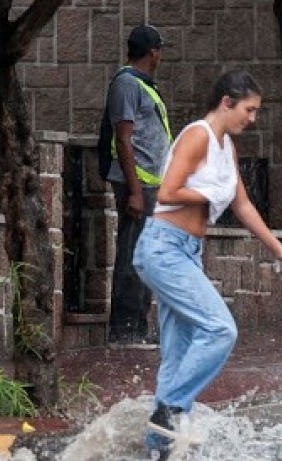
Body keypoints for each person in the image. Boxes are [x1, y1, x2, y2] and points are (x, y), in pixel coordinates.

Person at [133, 70, 282, 457]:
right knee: (220, 329)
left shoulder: (226, 147)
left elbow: (243, 205)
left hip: (187, 252)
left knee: (178, 354)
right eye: (249, 109)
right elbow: (168, 191)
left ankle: (158, 448)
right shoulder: (198, 135)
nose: (252, 118)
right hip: (164, 248)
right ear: (227, 102)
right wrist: (207, 193)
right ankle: (169, 410)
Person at [105, 24, 172, 346]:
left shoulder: (143, 85)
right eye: (160, 50)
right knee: (134, 256)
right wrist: (134, 191)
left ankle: (138, 327)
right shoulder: (127, 84)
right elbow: (123, 138)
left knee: (146, 256)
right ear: (153, 52)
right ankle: (126, 330)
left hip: (150, 185)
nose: (161, 56)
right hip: (138, 185)